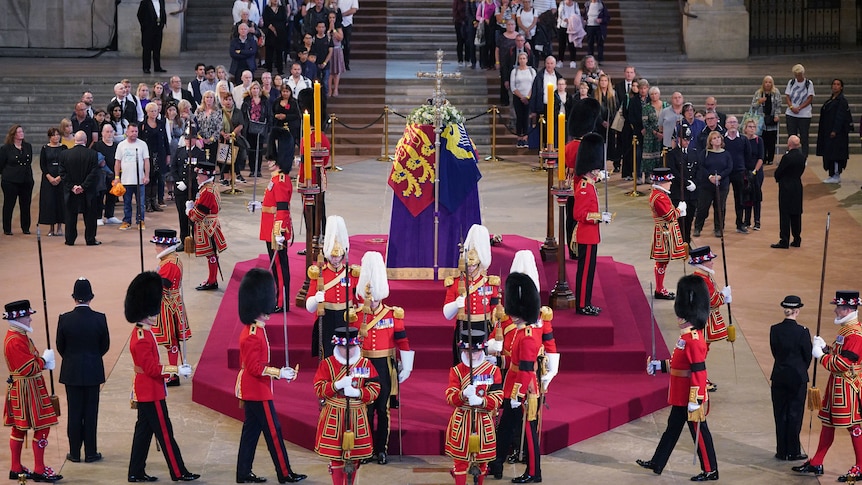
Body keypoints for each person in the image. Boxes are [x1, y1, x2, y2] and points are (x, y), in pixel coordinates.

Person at [639, 275, 719, 481]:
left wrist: (696, 398)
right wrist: (659, 366)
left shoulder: (693, 339)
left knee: (699, 433)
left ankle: (710, 470)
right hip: (682, 393)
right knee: (672, 429)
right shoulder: (686, 337)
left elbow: (699, 371)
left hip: (690, 395)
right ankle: (658, 462)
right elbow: (679, 364)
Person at [487, 250, 559, 479]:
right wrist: (498, 360)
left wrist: (517, 395)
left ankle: (534, 471)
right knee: (506, 427)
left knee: (529, 433)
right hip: (514, 386)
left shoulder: (527, 335)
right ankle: (496, 464)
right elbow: (515, 361)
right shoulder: (523, 331)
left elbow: (527, 369)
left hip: (524, 391)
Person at [235, 268, 307, 484]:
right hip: (257, 390)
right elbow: (255, 368)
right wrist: (279, 373)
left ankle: (243, 473)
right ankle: (284, 473)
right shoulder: (252, 335)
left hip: (255, 388)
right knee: (273, 432)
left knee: (251, 433)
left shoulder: (255, 329)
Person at [124, 271, 198, 482]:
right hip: (150, 391)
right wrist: (176, 370)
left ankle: (135, 472)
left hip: (148, 389)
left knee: (143, 435)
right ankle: (178, 471)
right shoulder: (142, 338)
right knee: (165, 434)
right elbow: (152, 369)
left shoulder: (144, 332)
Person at [795, 290, 862, 482]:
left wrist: (821, 356)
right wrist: (826, 348)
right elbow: (839, 353)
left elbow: (842, 363)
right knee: (828, 423)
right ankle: (817, 461)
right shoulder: (846, 330)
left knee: (853, 426)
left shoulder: (855, 335)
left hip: (848, 387)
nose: (835, 312)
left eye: (838, 308)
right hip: (837, 386)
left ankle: (861, 466)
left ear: (848, 309)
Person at [355, 251, 415, 465]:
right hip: (364, 366)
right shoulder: (355, 317)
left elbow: (403, 341)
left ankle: (381, 449)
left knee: (383, 409)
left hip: (384, 366)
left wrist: (406, 367)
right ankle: (365, 448)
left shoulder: (392, 314)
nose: (372, 301)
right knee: (366, 409)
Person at [3, 299, 63, 482]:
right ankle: (39, 469)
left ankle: (16, 467)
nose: (30, 319)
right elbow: (28, 367)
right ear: (19, 318)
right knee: (43, 425)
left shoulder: (19, 335)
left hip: (24, 388)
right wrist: (44, 361)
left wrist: (41, 362)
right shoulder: (15, 340)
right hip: (28, 390)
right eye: (27, 316)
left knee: (19, 428)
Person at [313, 326, 381, 485]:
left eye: (351, 347)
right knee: (336, 458)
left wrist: (358, 393)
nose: (348, 351)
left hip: (357, 416)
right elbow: (319, 389)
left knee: (355, 457)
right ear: (338, 346)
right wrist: (337, 385)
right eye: (344, 348)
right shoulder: (327, 364)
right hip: (334, 416)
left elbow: (375, 388)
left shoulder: (364, 364)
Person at [56, 277, 110, 464]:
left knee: (74, 412)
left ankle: (74, 452)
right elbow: (105, 346)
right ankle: (91, 452)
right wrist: (93, 358)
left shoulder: (64, 319)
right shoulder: (100, 318)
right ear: (90, 297)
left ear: (74, 297)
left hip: (71, 372)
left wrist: (72, 359)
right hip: (93, 371)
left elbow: (60, 346)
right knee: (90, 413)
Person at [445, 329, 502, 485]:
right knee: (460, 463)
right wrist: (462, 394)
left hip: (483, 420)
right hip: (462, 421)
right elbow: (450, 397)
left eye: (476, 352)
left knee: (483, 462)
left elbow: (498, 398)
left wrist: (482, 401)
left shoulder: (493, 371)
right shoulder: (456, 371)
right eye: (468, 351)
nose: (472, 355)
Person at [442, 224, 501, 364]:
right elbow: (446, 314)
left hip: (483, 326)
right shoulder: (455, 282)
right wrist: (456, 304)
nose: (470, 268)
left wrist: (496, 334)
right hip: (464, 326)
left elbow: (495, 313)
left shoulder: (490, 283)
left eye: (473, 265)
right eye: (468, 265)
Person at [305, 215, 360, 358]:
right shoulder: (318, 273)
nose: (335, 260)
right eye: (332, 256)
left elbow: (360, 300)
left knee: (346, 353)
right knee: (328, 353)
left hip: (346, 317)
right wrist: (316, 299)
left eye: (338, 256)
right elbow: (309, 307)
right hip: (327, 317)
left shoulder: (351, 273)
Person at [572, 132, 611, 316]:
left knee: (589, 273)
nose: (598, 171)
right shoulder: (585, 188)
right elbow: (579, 214)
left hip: (591, 236)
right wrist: (599, 217)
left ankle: (586, 302)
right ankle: (582, 305)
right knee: (585, 272)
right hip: (586, 236)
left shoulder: (590, 184)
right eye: (596, 169)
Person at [769, 295, 811, 462]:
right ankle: (793, 451)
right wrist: (800, 368)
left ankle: (781, 450)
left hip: (779, 375)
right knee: (794, 414)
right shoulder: (803, 331)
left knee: (779, 413)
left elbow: (774, 351)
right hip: (797, 377)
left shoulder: (774, 329)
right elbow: (807, 356)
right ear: (797, 311)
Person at [150, 229, 189, 387]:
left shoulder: (169, 264)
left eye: (158, 244)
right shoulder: (171, 259)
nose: (155, 248)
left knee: (170, 341)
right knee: (172, 340)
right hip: (172, 302)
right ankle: (173, 372)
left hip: (167, 304)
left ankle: (173, 374)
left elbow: (162, 286)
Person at [185, 156, 227, 291]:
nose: (197, 177)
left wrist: (189, 210)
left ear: (205, 175)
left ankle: (212, 280)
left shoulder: (207, 191)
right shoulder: (211, 187)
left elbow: (197, 216)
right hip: (211, 224)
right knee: (212, 254)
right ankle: (211, 279)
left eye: (199, 174)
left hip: (207, 227)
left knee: (211, 255)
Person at [257, 156, 293, 311]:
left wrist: (279, 232)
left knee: (279, 266)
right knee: (276, 266)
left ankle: (282, 302)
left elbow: (283, 208)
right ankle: (279, 299)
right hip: (270, 228)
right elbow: (272, 204)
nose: (268, 162)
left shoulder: (281, 181)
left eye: (271, 160)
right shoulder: (276, 179)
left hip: (275, 230)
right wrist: (260, 205)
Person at [648, 167, 687, 300]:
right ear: (662, 182)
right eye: (668, 181)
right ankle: (659, 289)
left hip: (664, 231)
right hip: (664, 233)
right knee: (662, 261)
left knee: (663, 262)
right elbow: (670, 216)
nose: (670, 183)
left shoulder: (659, 194)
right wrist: (679, 210)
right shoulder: (659, 197)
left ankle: (660, 288)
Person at [58, 131, 101, 246]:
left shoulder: (64, 154)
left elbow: (62, 173)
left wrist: (72, 187)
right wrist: (83, 186)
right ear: (86, 140)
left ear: (74, 140)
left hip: (71, 192)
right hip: (88, 192)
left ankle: (70, 240)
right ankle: (90, 239)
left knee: (70, 216)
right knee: (90, 216)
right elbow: (94, 173)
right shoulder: (92, 154)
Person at [692, 131, 731, 239]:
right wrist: (710, 177)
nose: (717, 139)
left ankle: (719, 228)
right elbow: (701, 166)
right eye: (714, 138)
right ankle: (698, 227)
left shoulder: (726, 154)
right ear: (710, 141)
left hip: (722, 184)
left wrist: (720, 176)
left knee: (720, 206)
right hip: (706, 184)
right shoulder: (705, 153)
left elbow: (729, 167)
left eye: (718, 137)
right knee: (703, 207)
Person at [688, 246, 730, 345]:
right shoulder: (703, 280)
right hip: (704, 321)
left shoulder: (701, 276)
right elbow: (712, 301)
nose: (712, 263)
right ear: (702, 262)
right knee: (702, 348)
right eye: (710, 260)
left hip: (699, 318)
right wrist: (723, 295)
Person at [113, 124, 150, 231]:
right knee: (126, 202)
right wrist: (117, 176)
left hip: (140, 180)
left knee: (141, 203)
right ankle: (126, 221)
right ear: (127, 132)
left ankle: (140, 221)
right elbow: (117, 162)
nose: (134, 133)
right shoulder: (121, 145)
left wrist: (146, 175)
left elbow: (146, 161)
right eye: (132, 131)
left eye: (136, 131)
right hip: (125, 180)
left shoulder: (142, 144)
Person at [169, 127, 203, 242]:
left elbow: (198, 171)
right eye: (186, 138)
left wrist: (186, 183)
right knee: (182, 216)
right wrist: (178, 181)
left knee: (193, 217)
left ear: (195, 139)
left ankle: (195, 240)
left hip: (192, 189)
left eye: (191, 138)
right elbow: (173, 167)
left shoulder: (199, 153)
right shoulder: (180, 151)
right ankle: (184, 241)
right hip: (180, 189)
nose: (188, 140)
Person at [771, 135, 805, 249]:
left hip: (786, 187)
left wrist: (777, 177)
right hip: (797, 186)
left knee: (785, 213)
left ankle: (784, 240)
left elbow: (779, 172)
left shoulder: (787, 157)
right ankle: (797, 239)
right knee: (796, 213)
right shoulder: (802, 156)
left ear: (789, 144)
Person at [667, 125, 699, 244]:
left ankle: (687, 240)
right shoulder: (673, 154)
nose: (687, 142)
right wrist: (686, 183)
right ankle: (679, 242)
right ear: (679, 139)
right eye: (685, 139)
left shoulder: (694, 153)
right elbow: (673, 172)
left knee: (690, 218)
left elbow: (698, 169)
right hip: (679, 193)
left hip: (691, 194)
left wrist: (694, 182)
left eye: (689, 139)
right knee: (680, 219)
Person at [0, 125, 34, 236]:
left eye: (22, 131)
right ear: (14, 134)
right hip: (10, 181)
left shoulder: (28, 146)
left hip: (26, 180)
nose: (21, 133)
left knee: (25, 205)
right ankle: (7, 228)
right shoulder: (6, 148)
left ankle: (25, 227)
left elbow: (29, 162)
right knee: (9, 204)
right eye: (19, 132)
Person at [817, 79, 853, 184]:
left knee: (836, 154)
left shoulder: (842, 101)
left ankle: (836, 174)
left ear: (841, 87)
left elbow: (840, 117)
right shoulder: (831, 100)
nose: (835, 86)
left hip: (837, 134)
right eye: (834, 84)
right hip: (827, 131)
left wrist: (835, 130)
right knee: (829, 153)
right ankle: (831, 174)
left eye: (838, 85)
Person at [723, 115, 752, 234]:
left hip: (739, 173)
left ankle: (740, 224)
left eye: (734, 122)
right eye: (730, 122)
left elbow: (748, 155)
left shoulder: (743, 140)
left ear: (738, 124)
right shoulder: (721, 139)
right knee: (721, 200)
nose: (732, 124)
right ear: (726, 125)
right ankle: (719, 226)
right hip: (724, 173)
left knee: (740, 199)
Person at [139, 103, 171, 213]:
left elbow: (165, 139)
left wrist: (168, 154)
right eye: (152, 111)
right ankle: (147, 202)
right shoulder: (142, 125)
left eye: (156, 111)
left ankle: (155, 201)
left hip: (160, 154)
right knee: (149, 179)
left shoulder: (161, 123)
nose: (154, 113)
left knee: (158, 178)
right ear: (147, 112)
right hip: (147, 155)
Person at [38, 127, 67, 237]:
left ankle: (60, 227)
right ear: (50, 137)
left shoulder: (64, 148)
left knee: (60, 202)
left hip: (61, 179)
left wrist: (60, 177)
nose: (56, 137)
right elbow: (43, 164)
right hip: (48, 180)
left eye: (58, 134)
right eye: (54, 135)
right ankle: (51, 228)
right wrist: (49, 177)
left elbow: (66, 163)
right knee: (50, 202)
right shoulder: (45, 148)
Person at [241, 81, 272, 178]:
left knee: (259, 149)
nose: (255, 90)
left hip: (261, 128)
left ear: (260, 90)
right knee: (251, 150)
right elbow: (243, 114)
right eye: (253, 88)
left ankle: (258, 170)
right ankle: (252, 170)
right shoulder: (246, 101)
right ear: (250, 90)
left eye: (257, 88)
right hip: (250, 128)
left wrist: (269, 127)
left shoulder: (265, 101)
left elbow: (269, 114)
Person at [270, 82, 301, 173]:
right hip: (279, 128)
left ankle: (288, 166)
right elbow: (272, 112)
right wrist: (276, 116)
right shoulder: (277, 101)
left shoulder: (294, 102)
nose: (285, 93)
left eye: (287, 91)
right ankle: (280, 166)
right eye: (283, 91)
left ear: (290, 92)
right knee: (280, 148)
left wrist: (286, 116)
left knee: (289, 148)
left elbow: (297, 115)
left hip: (291, 128)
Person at [784, 64, 815, 157]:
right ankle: (791, 154)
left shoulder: (809, 83)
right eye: (796, 75)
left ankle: (804, 156)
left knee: (804, 136)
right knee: (791, 135)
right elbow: (787, 96)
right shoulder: (791, 82)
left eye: (799, 74)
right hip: (791, 113)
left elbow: (810, 98)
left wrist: (800, 107)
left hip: (804, 115)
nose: (798, 77)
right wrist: (791, 107)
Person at [750, 75, 782, 165]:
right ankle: (762, 157)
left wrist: (777, 115)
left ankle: (771, 158)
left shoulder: (776, 93)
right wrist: (759, 102)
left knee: (771, 140)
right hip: (761, 120)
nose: (768, 84)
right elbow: (753, 106)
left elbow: (778, 105)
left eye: (769, 82)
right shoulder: (758, 93)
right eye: (766, 82)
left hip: (771, 118)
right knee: (762, 140)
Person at [509, 52, 536, 148]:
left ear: (527, 59)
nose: (522, 60)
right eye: (520, 58)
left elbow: (534, 85)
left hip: (529, 97)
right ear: (518, 60)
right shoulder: (514, 71)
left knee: (526, 118)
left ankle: (525, 137)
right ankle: (519, 138)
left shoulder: (532, 71)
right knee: (519, 117)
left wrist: (527, 97)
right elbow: (513, 87)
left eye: (524, 58)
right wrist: (521, 97)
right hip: (518, 97)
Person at [743, 119, 765, 231]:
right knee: (747, 196)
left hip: (757, 173)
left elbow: (761, 158)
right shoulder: (742, 140)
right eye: (749, 126)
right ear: (745, 128)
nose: (752, 129)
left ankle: (757, 221)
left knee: (756, 196)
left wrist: (755, 171)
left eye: (753, 127)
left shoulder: (759, 140)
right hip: (745, 172)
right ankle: (746, 220)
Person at [137, 0, 167, 74]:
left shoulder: (161, 1)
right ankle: (146, 67)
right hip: (148, 30)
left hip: (158, 28)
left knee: (157, 48)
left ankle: (157, 67)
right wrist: (144, 25)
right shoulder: (145, 2)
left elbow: (162, 12)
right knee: (147, 49)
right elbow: (139, 14)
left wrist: (163, 23)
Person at [263, 0, 289, 75]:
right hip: (270, 33)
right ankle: (269, 69)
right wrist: (272, 28)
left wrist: (278, 29)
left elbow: (284, 20)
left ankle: (280, 69)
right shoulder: (267, 9)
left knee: (279, 52)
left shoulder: (282, 8)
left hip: (281, 33)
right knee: (269, 52)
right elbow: (266, 20)